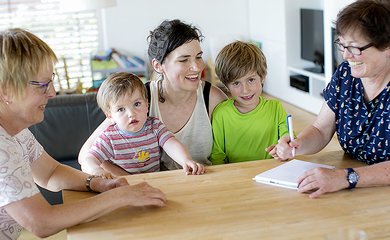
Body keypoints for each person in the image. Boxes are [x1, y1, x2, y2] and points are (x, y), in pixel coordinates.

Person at [0, 28, 166, 240]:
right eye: (42, 85)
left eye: (51, 80)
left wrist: (96, 183)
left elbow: (50, 173)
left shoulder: (17, 131)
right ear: (5, 91)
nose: (52, 92)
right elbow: (41, 222)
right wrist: (119, 197)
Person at [269, 0, 390, 198]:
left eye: (354, 48)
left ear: (387, 46)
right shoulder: (345, 75)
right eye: (342, 45)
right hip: (357, 189)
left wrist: (345, 178)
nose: (346, 56)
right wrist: (298, 144)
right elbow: (321, 129)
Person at [79, 19, 227, 171]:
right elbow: (85, 155)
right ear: (158, 65)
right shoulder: (139, 99)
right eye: (184, 60)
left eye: (198, 57)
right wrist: (128, 181)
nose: (196, 67)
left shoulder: (212, 97)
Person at [84, 72, 206, 177]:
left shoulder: (154, 126)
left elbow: (171, 144)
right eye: (121, 109)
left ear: (147, 105)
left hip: (154, 182)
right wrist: (96, 170)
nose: (131, 114)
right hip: (124, 186)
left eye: (137, 104)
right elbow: (89, 158)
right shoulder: (109, 138)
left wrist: (185, 160)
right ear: (110, 116)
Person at [209, 41, 289, 164]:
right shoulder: (221, 114)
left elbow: (287, 136)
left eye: (251, 80)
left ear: (262, 77)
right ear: (226, 85)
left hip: (271, 171)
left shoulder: (276, 108)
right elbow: (217, 156)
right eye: (236, 83)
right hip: (235, 176)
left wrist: (285, 144)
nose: (245, 90)